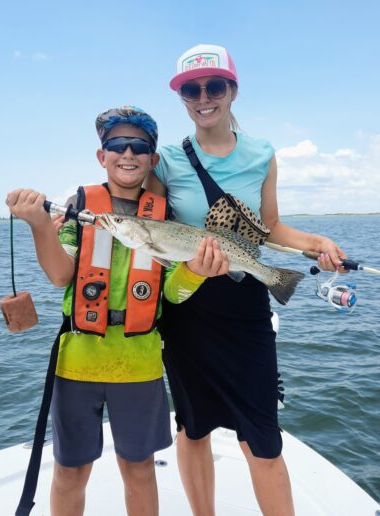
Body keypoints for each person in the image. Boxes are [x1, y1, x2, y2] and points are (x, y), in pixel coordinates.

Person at [145, 44, 348, 516]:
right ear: (182, 98)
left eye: (214, 86)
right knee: (192, 427)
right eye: (191, 90)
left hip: (245, 309)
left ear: (233, 91)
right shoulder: (167, 160)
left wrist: (315, 242)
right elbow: (152, 229)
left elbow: (270, 227)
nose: (204, 98)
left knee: (262, 437)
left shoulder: (262, 155)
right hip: (187, 309)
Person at [6, 106, 229, 516]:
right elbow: (60, 275)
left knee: (140, 469)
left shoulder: (167, 216)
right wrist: (39, 225)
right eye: (117, 144)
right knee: (70, 471)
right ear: (101, 155)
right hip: (77, 363)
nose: (128, 153)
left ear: (152, 159)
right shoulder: (78, 208)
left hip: (140, 363)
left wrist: (197, 271)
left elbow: (173, 294)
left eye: (139, 146)